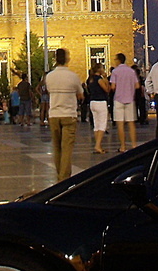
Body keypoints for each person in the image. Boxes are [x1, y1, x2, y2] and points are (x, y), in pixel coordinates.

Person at [44, 49, 83, 181]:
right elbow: (80, 93)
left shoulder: (49, 77)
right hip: (69, 114)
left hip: (54, 114)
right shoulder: (73, 76)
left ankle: (59, 174)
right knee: (67, 148)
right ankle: (64, 178)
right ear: (67, 59)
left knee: (56, 147)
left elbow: (49, 91)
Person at [109, 53, 140, 152]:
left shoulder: (115, 71)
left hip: (118, 99)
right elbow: (137, 86)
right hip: (130, 99)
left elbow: (113, 86)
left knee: (120, 124)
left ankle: (123, 146)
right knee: (131, 123)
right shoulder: (131, 71)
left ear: (118, 60)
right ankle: (134, 145)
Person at [86, 62, 112, 154]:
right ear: (100, 70)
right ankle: (97, 146)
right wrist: (105, 78)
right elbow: (107, 89)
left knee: (96, 125)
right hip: (100, 102)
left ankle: (98, 145)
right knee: (102, 125)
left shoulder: (90, 79)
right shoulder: (99, 79)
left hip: (92, 102)